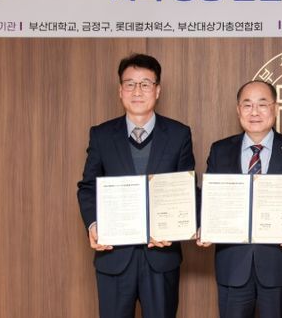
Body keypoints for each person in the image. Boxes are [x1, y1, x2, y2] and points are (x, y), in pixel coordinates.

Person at [77, 53, 195, 318]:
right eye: (130, 84)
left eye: (145, 84)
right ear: (120, 91)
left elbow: (186, 190)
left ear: (157, 90)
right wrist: (93, 225)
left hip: (161, 256)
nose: (137, 91)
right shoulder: (101, 135)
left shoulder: (179, 134)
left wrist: (176, 227)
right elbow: (88, 186)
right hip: (114, 257)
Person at [197, 80, 282, 318]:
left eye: (262, 104)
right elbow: (209, 199)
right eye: (247, 105)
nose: (254, 112)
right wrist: (204, 225)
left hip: (279, 265)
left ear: (276, 108)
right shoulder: (220, 150)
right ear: (238, 110)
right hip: (233, 266)